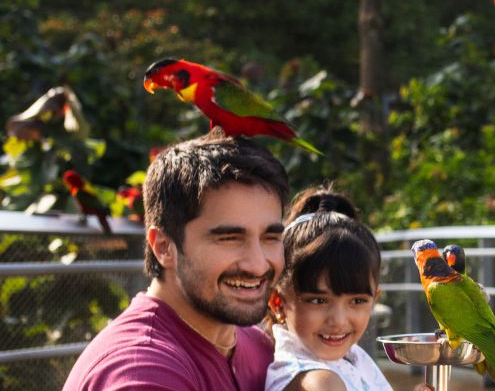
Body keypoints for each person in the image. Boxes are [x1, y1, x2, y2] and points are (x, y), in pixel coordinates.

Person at [64, 131, 290, 391]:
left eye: (270, 237)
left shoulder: (260, 348)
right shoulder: (141, 373)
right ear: (163, 246)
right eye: (229, 238)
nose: (258, 265)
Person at [264, 187, 408, 391]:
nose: (339, 321)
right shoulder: (320, 383)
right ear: (277, 303)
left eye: (357, 301)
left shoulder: (352, 358)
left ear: (374, 300)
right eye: (318, 300)